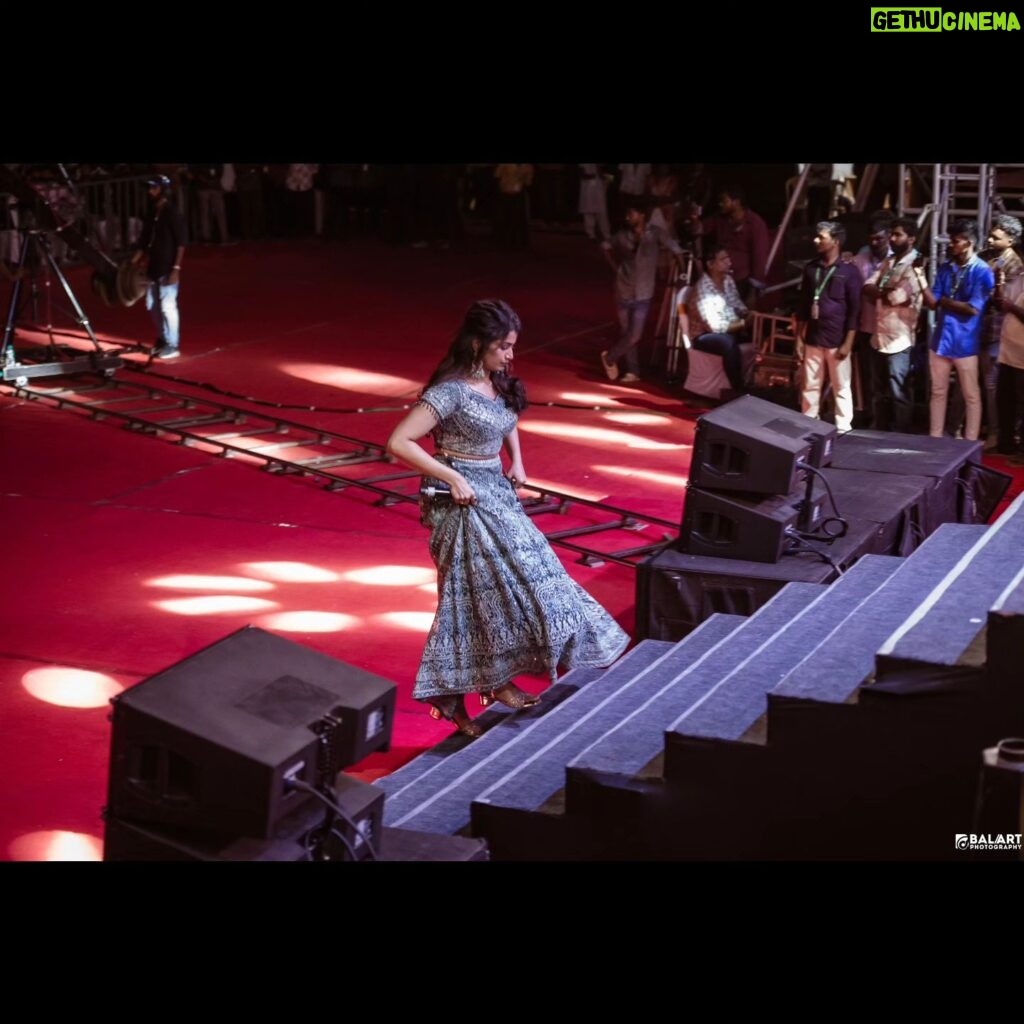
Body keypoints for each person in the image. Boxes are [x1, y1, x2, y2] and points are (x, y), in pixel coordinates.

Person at [386, 300, 629, 738]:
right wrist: (449, 476)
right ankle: (473, 691)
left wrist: (517, 458)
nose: (511, 355)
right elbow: (399, 442)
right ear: (479, 344)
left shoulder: (494, 380)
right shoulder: (450, 391)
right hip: (460, 504)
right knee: (470, 599)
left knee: (534, 579)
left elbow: (505, 416)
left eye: (514, 346)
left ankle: (491, 682)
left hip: (497, 493)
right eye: (504, 347)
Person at [917, 219, 994, 442]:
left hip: (966, 342)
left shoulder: (982, 271)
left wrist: (945, 302)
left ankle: (970, 443)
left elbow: (972, 308)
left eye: (955, 241)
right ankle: (935, 438)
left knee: (971, 395)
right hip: (941, 340)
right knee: (938, 392)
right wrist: (921, 278)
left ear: (968, 243)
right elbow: (932, 302)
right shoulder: (945, 268)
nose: (950, 245)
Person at [600, 196, 686, 384]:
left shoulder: (655, 233)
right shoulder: (622, 235)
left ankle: (610, 357)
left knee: (634, 334)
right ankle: (633, 372)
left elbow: (676, 249)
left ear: (642, 215)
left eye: (631, 213)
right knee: (628, 333)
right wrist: (615, 268)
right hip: (623, 290)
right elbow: (605, 246)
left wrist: (682, 276)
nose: (627, 217)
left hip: (644, 293)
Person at [795, 220, 863, 433]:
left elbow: (855, 311)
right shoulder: (810, 269)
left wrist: (848, 343)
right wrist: (799, 337)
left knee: (841, 386)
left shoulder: (850, 272)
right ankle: (808, 425)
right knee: (810, 385)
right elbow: (804, 305)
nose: (816, 240)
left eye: (821, 237)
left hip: (837, 339)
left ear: (835, 241)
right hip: (814, 337)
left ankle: (843, 428)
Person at [862, 217, 924, 432]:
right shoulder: (889, 262)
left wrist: (880, 292)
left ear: (911, 239)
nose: (893, 238)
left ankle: (901, 435)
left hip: (900, 340)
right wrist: (883, 291)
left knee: (899, 392)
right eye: (892, 234)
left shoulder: (916, 265)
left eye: (898, 235)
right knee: (878, 391)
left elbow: (897, 297)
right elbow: (867, 285)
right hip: (878, 336)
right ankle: (878, 429)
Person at [979, 213, 1024, 448]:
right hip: (988, 331)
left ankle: (998, 436)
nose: (989, 241)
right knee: (990, 387)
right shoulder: (990, 259)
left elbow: (1003, 302)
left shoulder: (1015, 266)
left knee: (994, 387)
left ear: (1011, 241)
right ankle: (994, 433)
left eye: (995, 238)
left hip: (1002, 335)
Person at [131, 174, 186, 360]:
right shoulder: (152, 213)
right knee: (152, 305)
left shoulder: (172, 212)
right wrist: (131, 265)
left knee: (168, 306)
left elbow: (181, 243)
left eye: (154, 188)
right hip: (152, 267)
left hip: (167, 267)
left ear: (163, 190)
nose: (150, 191)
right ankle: (163, 338)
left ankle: (173, 343)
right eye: (149, 188)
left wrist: (176, 269)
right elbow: (144, 241)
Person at [687, 245, 753, 394]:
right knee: (727, 342)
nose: (729, 262)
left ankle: (758, 383)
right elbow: (715, 327)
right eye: (723, 259)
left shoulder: (727, 280)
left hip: (731, 327)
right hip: (704, 335)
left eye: (728, 258)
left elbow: (737, 303)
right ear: (710, 265)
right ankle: (736, 388)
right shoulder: (703, 289)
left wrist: (748, 314)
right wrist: (742, 324)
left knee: (763, 328)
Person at [688, 184, 770, 303]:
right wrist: (694, 219)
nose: (720, 204)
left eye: (724, 201)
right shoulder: (720, 218)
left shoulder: (755, 224)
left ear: (736, 202)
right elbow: (699, 229)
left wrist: (753, 291)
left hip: (741, 282)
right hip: (719, 279)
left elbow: (759, 258)